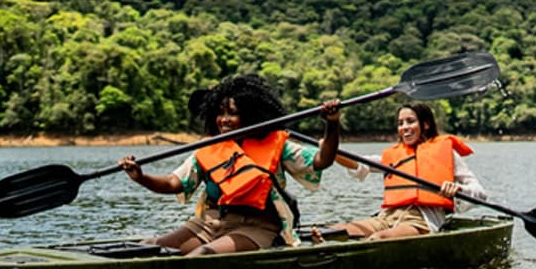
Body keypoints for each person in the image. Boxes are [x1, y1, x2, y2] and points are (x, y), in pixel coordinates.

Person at [119, 75, 340, 255]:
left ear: (251, 116)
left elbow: (323, 160)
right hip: (209, 223)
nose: (224, 119)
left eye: (232, 113)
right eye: (220, 113)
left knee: (202, 255)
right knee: (148, 247)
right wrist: (140, 176)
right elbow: (173, 183)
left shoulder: (277, 145)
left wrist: (332, 125)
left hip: (257, 227)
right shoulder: (210, 149)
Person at [335, 102, 485, 240]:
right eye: (400, 123)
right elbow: (359, 164)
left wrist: (458, 189)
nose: (404, 127)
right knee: (336, 232)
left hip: (420, 221)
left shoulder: (447, 153)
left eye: (410, 121)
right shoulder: (392, 156)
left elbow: (480, 193)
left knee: (378, 238)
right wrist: (331, 149)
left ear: (425, 124)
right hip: (387, 217)